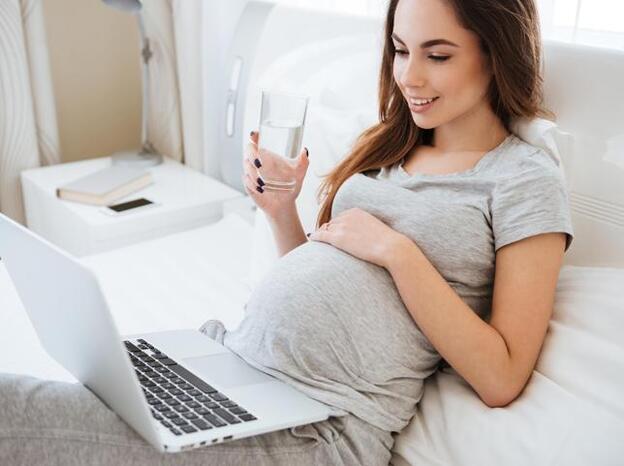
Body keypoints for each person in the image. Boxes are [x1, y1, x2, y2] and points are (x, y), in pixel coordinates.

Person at [0, 0, 574, 464]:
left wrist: (398, 253)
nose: (409, 76)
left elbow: (501, 375)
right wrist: (281, 211)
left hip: (317, 428)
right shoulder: (389, 147)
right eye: (399, 50)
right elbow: (327, 277)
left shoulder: (523, 178)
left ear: (495, 55)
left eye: (438, 55)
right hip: (233, 368)